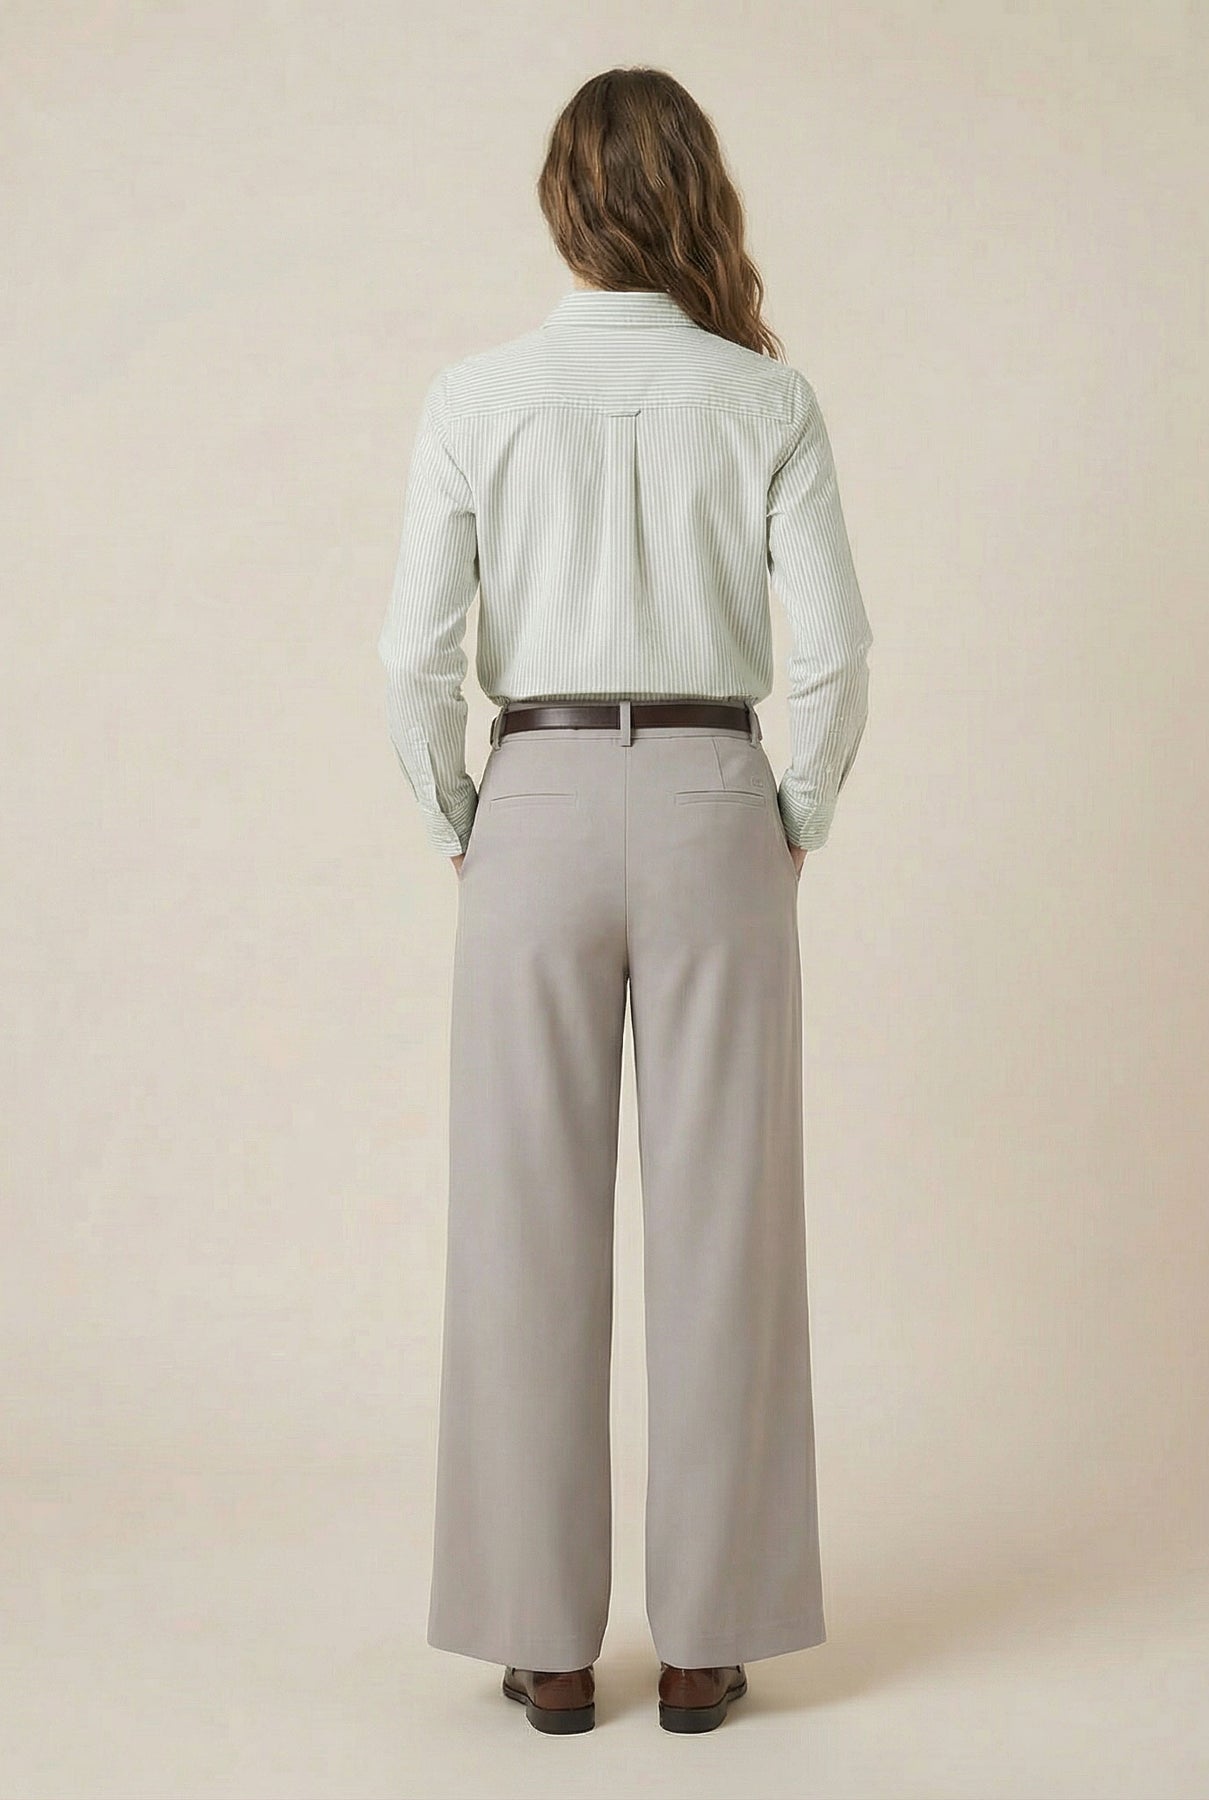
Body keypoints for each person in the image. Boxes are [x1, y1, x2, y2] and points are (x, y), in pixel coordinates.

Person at [378, 65, 873, 1736]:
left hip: (530, 793)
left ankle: (541, 1641)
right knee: (725, 1223)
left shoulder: (476, 395)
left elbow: (409, 656)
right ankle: (711, 1638)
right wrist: (793, 813)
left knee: (520, 1222)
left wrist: (465, 817)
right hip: (713, 796)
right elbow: (836, 650)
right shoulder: (764, 399)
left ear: (563, 205)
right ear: (695, 197)